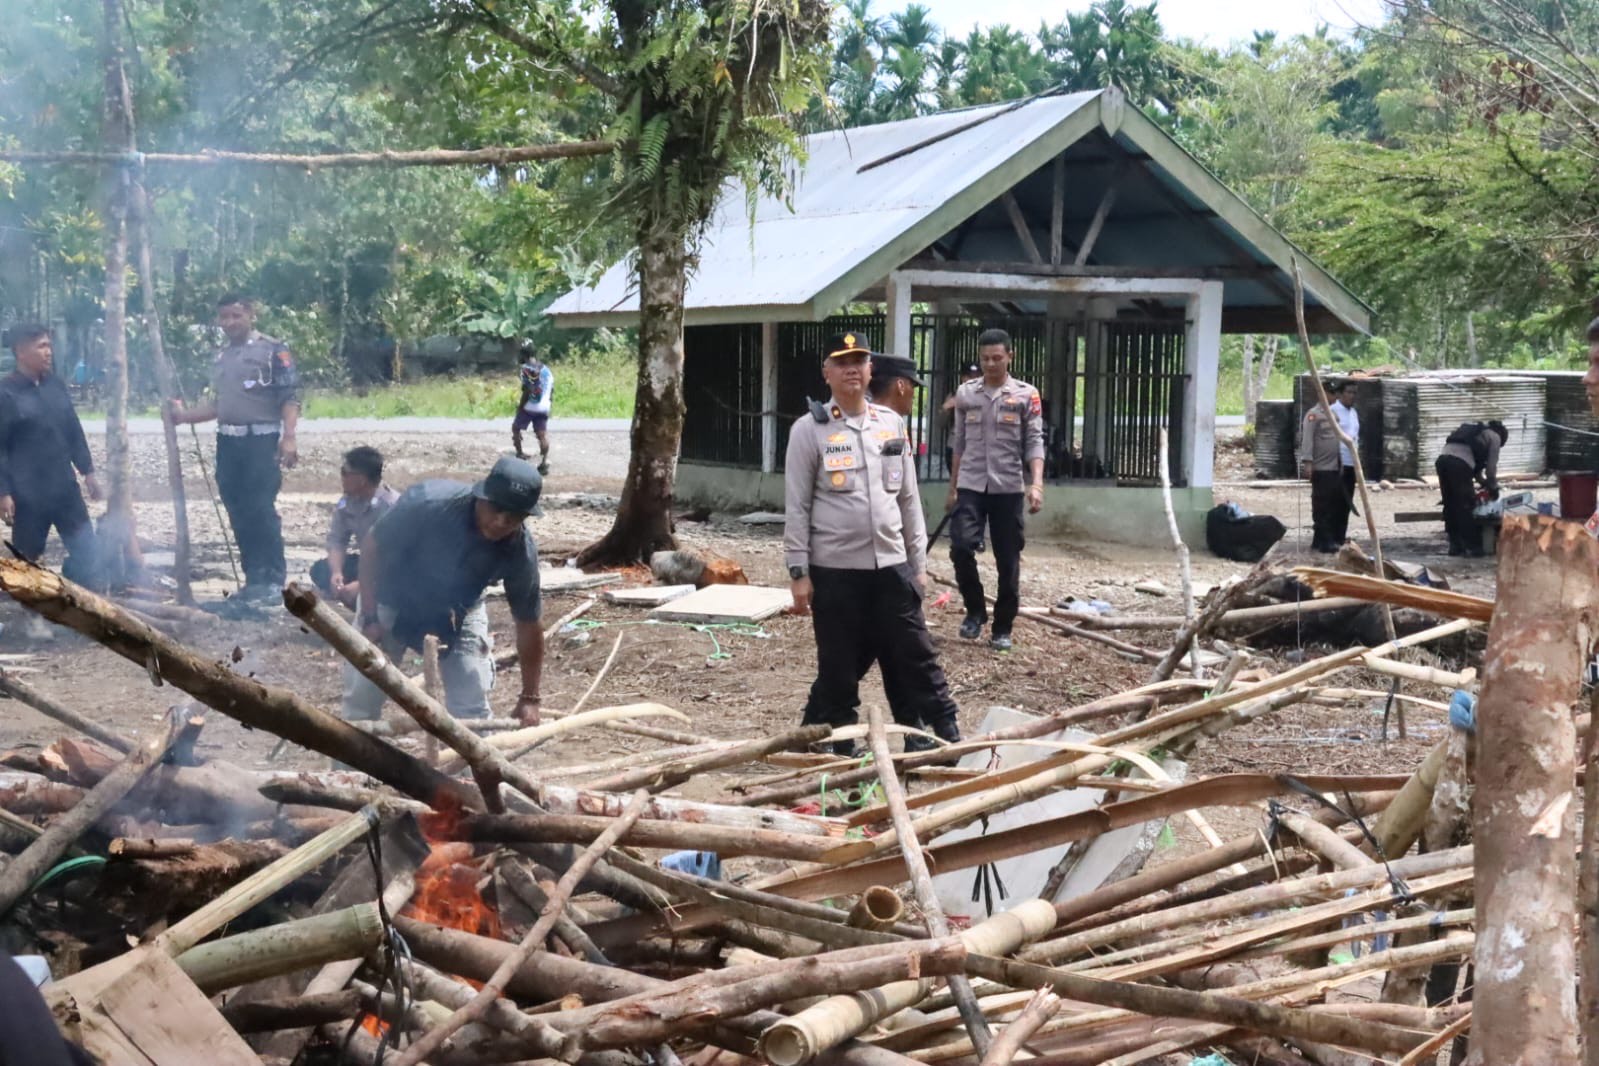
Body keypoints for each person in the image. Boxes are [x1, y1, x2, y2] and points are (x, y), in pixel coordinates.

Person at [785, 333, 961, 757]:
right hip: (835, 571)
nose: (852, 369)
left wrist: (917, 565)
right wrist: (799, 573)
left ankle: (947, 734)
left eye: (859, 361)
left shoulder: (890, 424)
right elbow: (797, 506)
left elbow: (908, 502)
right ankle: (842, 744)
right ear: (827, 372)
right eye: (842, 362)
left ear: (870, 371)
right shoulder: (810, 430)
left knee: (918, 653)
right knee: (840, 664)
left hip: (891, 567)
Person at [342, 456, 545, 726]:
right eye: (496, 508)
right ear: (481, 497)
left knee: (471, 707)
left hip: (460, 609)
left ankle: (470, 766)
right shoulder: (426, 504)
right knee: (363, 697)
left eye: (514, 516)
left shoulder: (520, 552)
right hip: (390, 597)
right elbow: (371, 549)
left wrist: (530, 697)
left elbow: (528, 623)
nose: (501, 522)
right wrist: (369, 616)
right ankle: (349, 767)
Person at [169, 294, 299, 606]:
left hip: (260, 441)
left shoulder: (272, 350)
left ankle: (272, 579)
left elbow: (289, 397)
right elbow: (220, 405)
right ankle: (253, 578)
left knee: (260, 509)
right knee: (237, 509)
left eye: (235, 316)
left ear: (251, 314)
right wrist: (183, 416)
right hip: (229, 442)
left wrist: (289, 436)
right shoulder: (223, 356)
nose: (229, 323)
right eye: (224, 317)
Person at [945, 329, 1045, 652]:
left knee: (1008, 559)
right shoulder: (966, 394)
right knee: (960, 546)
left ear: (1010, 357)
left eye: (997, 358)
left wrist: (1037, 485)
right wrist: (953, 487)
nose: (990, 364)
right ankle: (975, 610)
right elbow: (958, 442)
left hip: (1008, 487)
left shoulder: (1026, 395)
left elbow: (1034, 441)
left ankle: (1003, 627)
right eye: (985, 358)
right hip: (971, 483)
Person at [0, 325, 102, 590]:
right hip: (28, 495)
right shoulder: (5, 393)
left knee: (87, 554)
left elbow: (73, 430)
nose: (49, 352)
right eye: (41, 346)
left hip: (64, 488)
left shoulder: (56, 386)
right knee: (27, 563)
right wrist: (3, 492)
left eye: (49, 345)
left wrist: (88, 471)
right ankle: (31, 624)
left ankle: (85, 612)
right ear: (21, 352)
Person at [313, 446, 400, 609]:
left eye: (345, 473)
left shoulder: (391, 506)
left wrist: (363, 584)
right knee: (320, 570)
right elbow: (337, 540)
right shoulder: (348, 502)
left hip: (393, 568)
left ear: (361, 479)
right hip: (368, 562)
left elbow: (397, 558)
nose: (342, 478)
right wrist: (336, 572)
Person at [1298, 381, 1358, 553]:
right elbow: (1307, 440)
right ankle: (1324, 540)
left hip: (1334, 466)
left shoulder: (1333, 415)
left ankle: (1323, 539)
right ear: (1322, 393)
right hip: (1321, 467)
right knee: (1322, 505)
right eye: (1332, 393)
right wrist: (1308, 462)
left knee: (1333, 504)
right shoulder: (1313, 415)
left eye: (1336, 393)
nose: (1335, 396)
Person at [1435, 419, 1508, 557]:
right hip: (1459, 464)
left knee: (1450, 504)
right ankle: (1473, 547)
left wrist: (1483, 483)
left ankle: (1455, 545)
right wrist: (1492, 485)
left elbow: (1476, 472)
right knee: (1466, 506)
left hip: (1442, 461)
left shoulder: (1475, 432)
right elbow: (1491, 468)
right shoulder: (1495, 437)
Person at [512, 342, 554, 475]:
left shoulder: (525, 368)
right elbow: (551, 390)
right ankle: (544, 462)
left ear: (524, 354)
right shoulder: (547, 369)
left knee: (516, 428)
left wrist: (520, 407)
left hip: (530, 405)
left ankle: (519, 454)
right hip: (545, 406)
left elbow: (527, 391)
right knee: (542, 435)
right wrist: (548, 404)